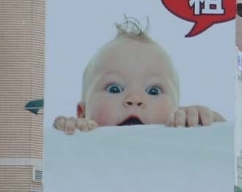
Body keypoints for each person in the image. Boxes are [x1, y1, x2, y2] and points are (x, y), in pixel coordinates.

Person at [53, 19, 225, 134]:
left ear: (177, 110)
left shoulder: (184, 142)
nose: (134, 99)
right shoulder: (77, 140)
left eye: (154, 91)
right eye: (114, 89)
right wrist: (68, 132)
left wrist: (207, 122)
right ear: (82, 113)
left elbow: (221, 148)